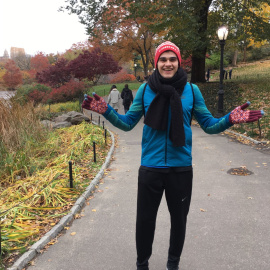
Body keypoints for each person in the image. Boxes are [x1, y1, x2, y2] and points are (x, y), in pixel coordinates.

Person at [82, 41, 264, 270]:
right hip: (151, 167)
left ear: (178, 62)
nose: (168, 63)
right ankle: (142, 263)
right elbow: (128, 124)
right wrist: (107, 111)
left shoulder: (192, 91)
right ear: (157, 62)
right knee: (145, 221)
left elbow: (208, 124)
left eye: (172, 59)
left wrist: (229, 119)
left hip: (181, 168)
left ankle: (173, 264)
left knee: (179, 222)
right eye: (163, 59)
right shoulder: (146, 90)